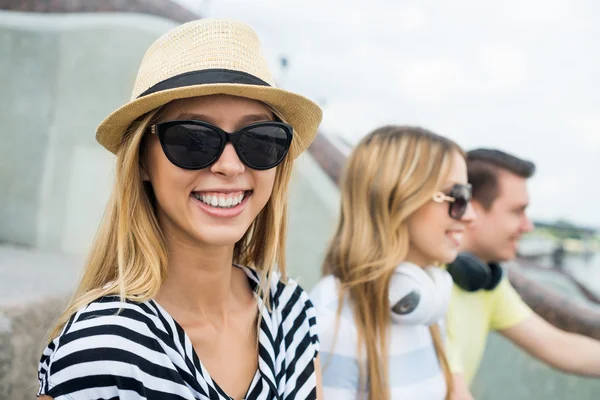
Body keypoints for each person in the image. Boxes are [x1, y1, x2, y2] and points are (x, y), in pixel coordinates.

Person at [37, 18, 324, 400]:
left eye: (259, 140)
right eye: (193, 138)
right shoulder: (102, 350)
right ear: (141, 160)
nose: (230, 165)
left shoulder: (292, 312)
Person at [309, 126, 476, 400]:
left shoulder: (423, 303)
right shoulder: (333, 315)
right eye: (456, 197)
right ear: (398, 199)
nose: (470, 215)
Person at [445, 148, 600, 394]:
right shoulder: (429, 286)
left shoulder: (484, 281)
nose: (528, 226)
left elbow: (558, 346)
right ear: (469, 209)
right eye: (518, 211)